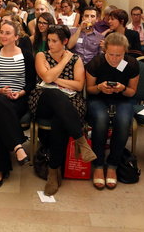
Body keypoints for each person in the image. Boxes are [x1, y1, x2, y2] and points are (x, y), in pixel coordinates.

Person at [32, 25, 96, 195]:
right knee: (55, 95)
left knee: (60, 118)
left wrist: (55, 78)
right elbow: (45, 78)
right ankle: (80, 140)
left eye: (54, 41)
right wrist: (64, 63)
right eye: (49, 40)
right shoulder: (41, 55)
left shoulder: (77, 58)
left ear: (65, 41)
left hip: (70, 103)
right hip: (43, 100)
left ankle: (53, 172)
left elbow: (79, 85)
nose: (50, 44)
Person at [0, 19, 35, 189]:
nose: (4, 36)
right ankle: (18, 145)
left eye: (8, 33)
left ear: (16, 36)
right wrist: (0, 90)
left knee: (0, 122)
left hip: (19, 99)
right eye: (2, 32)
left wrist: (20, 92)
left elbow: (31, 83)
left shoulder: (26, 55)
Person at [86, 33, 139, 190]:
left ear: (125, 52)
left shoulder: (131, 64)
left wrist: (122, 89)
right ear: (104, 51)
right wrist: (99, 87)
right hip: (98, 98)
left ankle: (113, 165)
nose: (115, 59)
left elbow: (132, 92)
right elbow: (89, 90)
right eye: (111, 54)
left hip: (123, 98)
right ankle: (98, 165)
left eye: (119, 55)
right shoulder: (96, 63)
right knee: (100, 120)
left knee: (123, 121)